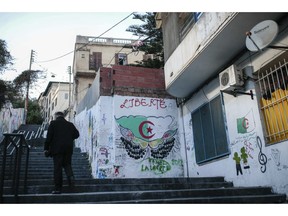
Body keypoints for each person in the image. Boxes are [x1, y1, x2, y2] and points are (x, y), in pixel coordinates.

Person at [44, 111, 80, 194]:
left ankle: (58, 188)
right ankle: (71, 183)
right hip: (68, 149)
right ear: (63, 116)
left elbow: (49, 137)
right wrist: (69, 138)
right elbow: (77, 134)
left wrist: (46, 148)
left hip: (57, 150)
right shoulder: (70, 125)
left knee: (58, 168)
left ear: (56, 116)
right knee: (67, 165)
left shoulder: (53, 124)